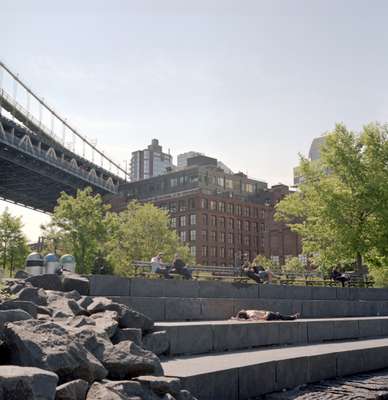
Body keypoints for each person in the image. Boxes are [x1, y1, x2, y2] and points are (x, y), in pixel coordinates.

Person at [233, 309, 300, 321]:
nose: (242, 309)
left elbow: (239, 315)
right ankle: (293, 317)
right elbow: (261, 318)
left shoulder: (246, 312)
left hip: (268, 314)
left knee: (280, 316)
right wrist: (266, 317)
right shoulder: (251, 314)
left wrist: (235, 318)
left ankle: (293, 317)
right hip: (268, 315)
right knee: (281, 316)